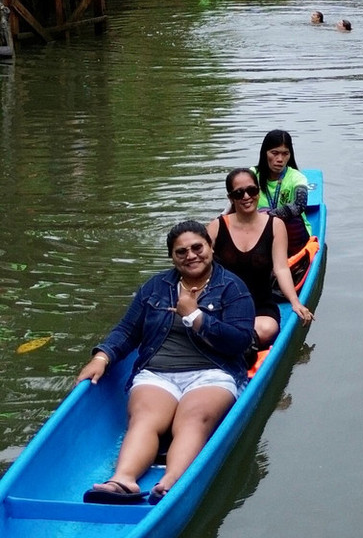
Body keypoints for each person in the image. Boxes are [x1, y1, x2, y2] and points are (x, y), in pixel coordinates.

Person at [77, 221, 254, 505]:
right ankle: (123, 481)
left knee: (192, 419)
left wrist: (195, 316)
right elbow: (127, 330)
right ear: (172, 257)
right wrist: (103, 356)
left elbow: (240, 341)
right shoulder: (156, 287)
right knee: (144, 418)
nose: (191, 255)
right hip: (158, 373)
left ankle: (170, 483)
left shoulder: (232, 288)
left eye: (197, 247)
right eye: (181, 251)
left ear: (210, 248)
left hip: (212, 373)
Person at [206, 168, 313, 348]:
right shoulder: (217, 226)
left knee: (268, 328)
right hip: (223, 305)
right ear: (231, 197)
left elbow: (281, 268)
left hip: (260, 306)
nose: (247, 196)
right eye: (239, 193)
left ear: (258, 191)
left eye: (252, 190)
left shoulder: (275, 225)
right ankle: (238, 343)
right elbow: (198, 264)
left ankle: (236, 343)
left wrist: (295, 302)